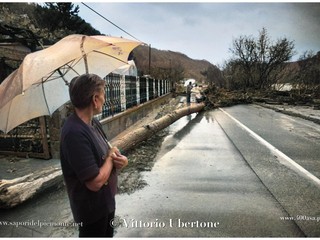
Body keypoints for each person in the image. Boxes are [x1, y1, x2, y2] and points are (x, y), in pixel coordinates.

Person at [60, 73, 128, 237]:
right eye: (104, 94)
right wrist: (111, 159)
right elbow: (95, 182)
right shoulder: (74, 133)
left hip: (105, 204)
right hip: (91, 212)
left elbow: (106, 153)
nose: (105, 99)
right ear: (95, 99)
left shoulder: (93, 123)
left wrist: (120, 160)